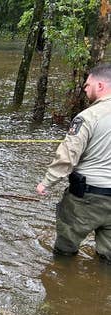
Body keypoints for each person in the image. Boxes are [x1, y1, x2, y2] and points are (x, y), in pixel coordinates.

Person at [36, 64, 111, 261]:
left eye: (87, 85)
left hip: (87, 197)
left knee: (64, 252)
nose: (85, 90)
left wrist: (47, 182)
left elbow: (68, 155)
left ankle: (63, 285)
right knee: (108, 260)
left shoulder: (88, 116)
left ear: (101, 85)